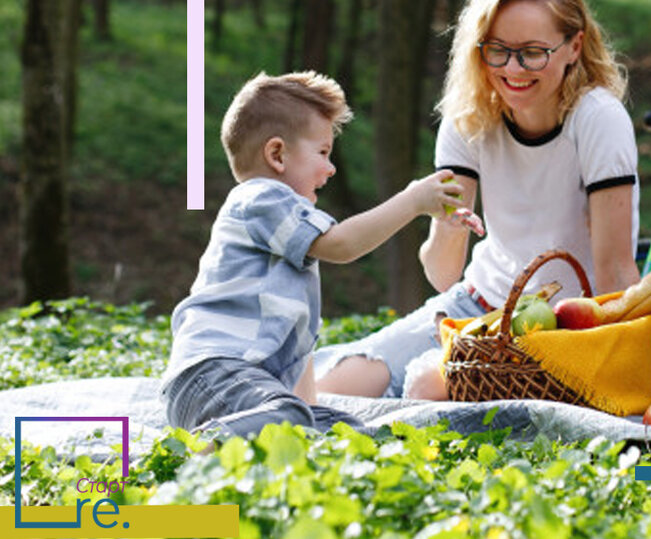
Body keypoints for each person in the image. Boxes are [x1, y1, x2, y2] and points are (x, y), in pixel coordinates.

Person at [315, 0, 642, 398]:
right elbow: (443, 273)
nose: (513, 69)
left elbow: (616, 271)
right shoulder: (470, 117)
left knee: (427, 387)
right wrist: (449, 223)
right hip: (476, 304)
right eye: (497, 50)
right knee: (335, 388)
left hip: (562, 327)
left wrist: (614, 367)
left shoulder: (598, 119)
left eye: (532, 52)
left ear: (573, 46)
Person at [161, 71, 471, 438]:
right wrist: (412, 201)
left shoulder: (285, 233)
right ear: (276, 154)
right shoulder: (261, 197)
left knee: (347, 432)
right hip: (211, 376)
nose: (331, 167)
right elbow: (342, 244)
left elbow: (299, 361)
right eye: (322, 152)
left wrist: (317, 418)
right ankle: (201, 449)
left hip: (246, 388)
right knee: (287, 417)